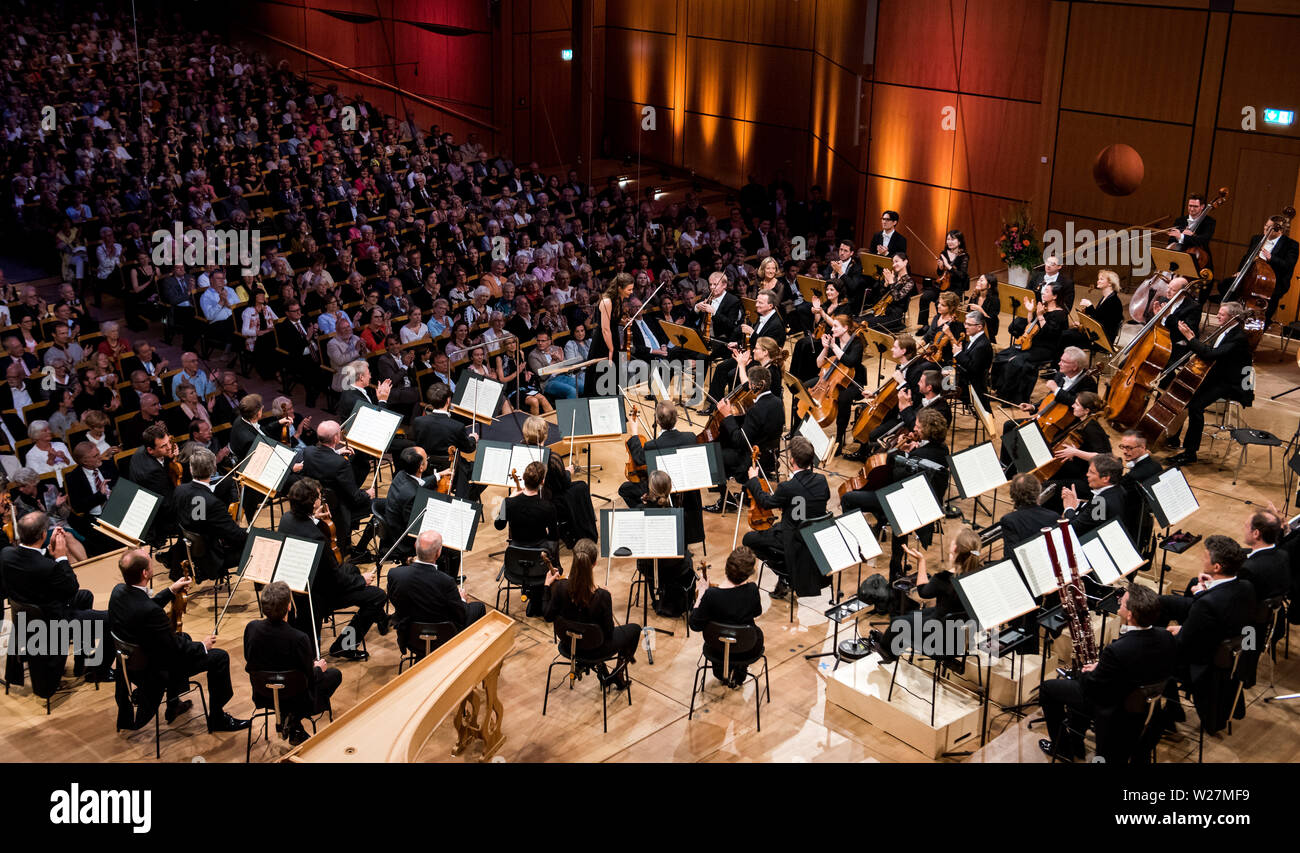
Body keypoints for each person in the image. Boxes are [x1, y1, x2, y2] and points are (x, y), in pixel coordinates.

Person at [107, 549, 249, 733]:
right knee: (219, 657)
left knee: (185, 637)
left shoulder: (118, 592)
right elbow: (174, 648)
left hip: (132, 666)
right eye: (150, 563)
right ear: (145, 573)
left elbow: (143, 609)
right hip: (154, 672)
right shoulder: (150, 612)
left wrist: (170, 591)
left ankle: (173, 704)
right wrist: (202, 646)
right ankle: (217, 719)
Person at [1036, 582, 1176, 762]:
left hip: (1114, 709)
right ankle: (1075, 738)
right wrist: (1103, 667)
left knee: (1050, 688)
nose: (1118, 602)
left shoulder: (1118, 650)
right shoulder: (1166, 637)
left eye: (1123, 602)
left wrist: (1088, 671)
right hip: (1144, 705)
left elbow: (1091, 687)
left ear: (1130, 615)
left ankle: (1063, 747)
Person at [278, 478, 389, 661]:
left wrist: (316, 520)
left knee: (351, 569)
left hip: (299, 584)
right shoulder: (316, 537)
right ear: (314, 503)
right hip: (320, 594)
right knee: (377, 596)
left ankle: (382, 619)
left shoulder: (287, 518)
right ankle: (344, 646)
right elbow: (335, 578)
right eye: (319, 497)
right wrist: (362, 580)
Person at [1157, 535, 1256, 733]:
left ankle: (1172, 714)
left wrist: (1178, 630)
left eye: (1205, 557)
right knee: (1162, 602)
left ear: (1217, 567)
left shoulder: (1206, 604)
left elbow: (1185, 642)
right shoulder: (1246, 586)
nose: (1202, 559)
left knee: (1155, 651)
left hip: (1201, 663)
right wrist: (1204, 590)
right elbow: (1218, 615)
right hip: (1219, 641)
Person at [0, 512, 113, 681]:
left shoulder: (6, 554)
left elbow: (34, 561)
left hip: (27, 617)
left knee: (85, 597)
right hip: (52, 624)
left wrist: (49, 550)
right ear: (44, 534)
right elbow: (71, 588)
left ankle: (81, 657)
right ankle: (99, 671)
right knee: (112, 619)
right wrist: (61, 556)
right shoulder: (48, 568)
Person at [841, 409, 950, 580]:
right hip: (919, 503)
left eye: (918, 426)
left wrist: (901, 452)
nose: (913, 428)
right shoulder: (943, 450)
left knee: (848, 498)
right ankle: (894, 562)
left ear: (927, 431)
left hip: (902, 503)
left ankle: (859, 543)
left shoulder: (919, 455)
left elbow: (893, 474)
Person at [243, 580, 342, 746]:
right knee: (334, 675)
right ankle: (295, 718)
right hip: (295, 698)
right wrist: (318, 669)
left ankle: (292, 721)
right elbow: (309, 678)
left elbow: (249, 659)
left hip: (264, 694)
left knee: (288, 680)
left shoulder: (251, 628)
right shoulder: (299, 638)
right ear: (289, 606)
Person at [1165, 301, 1254, 466]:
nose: (1217, 316)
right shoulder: (1224, 330)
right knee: (1185, 397)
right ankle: (1173, 437)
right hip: (1214, 376)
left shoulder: (1238, 337)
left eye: (1222, 314)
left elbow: (1210, 354)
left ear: (1233, 318)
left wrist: (1191, 338)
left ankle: (1190, 453)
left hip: (1229, 383)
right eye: (1218, 313)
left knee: (1195, 406)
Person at [741, 436, 830, 600]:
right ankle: (787, 572)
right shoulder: (821, 480)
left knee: (749, 539)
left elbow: (766, 502)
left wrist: (753, 479)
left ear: (792, 461)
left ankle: (786, 575)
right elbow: (812, 502)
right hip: (813, 536)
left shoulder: (787, 487)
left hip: (793, 539)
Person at [544, 538, 639, 690]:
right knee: (634, 630)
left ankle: (604, 672)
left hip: (569, 645)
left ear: (575, 560)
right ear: (594, 564)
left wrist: (547, 586)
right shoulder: (602, 596)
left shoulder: (560, 588)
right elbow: (608, 633)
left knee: (590, 632)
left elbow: (547, 616)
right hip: (595, 649)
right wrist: (608, 601)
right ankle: (618, 675)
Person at [388, 530, 488, 659]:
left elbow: (395, 600)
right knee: (478, 607)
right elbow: (460, 614)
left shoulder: (395, 574)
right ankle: (467, 657)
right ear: (438, 553)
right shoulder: (446, 581)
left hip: (410, 635)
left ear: (415, 547)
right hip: (443, 637)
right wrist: (462, 600)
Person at [619, 401, 705, 548]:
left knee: (625, 489)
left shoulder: (653, 446)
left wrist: (634, 432)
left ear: (657, 421)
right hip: (688, 491)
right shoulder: (690, 437)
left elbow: (639, 459)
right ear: (677, 418)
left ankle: (648, 516)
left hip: (664, 489)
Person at [706, 365, 784, 507]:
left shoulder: (756, 409)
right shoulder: (778, 402)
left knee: (712, 454)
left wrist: (728, 416)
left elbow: (739, 441)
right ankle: (748, 493)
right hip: (770, 456)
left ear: (754, 385)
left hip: (752, 462)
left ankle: (726, 501)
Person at [298, 420, 376, 557]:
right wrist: (368, 494)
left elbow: (324, 459)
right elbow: (356, 497)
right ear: (336, 438)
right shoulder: (341, 464)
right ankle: (359, 549)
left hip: (315, 503)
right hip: (339, 509)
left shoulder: (308, 452)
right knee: (381, 505)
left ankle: (346, 542)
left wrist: (337, 452)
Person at [689, 546, 764, 686]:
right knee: (752, 633)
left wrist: (701, 595)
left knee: (720, 634)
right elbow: (757, 612)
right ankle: (739, 670)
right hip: (746, 648)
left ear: (726, 568)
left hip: (716, 647)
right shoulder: (752, 589)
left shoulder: (711, 595)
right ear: (749, 573)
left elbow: (695, 625)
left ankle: (721, 670)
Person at [172, 448, 245, 582]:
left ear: (190, 469)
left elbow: (196, 520)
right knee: (255, 544)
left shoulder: (179, 490)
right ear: (213, 469)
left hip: (189, 551)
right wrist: (251, 534)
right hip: (211, 558)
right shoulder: (213, 503)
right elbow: (236, 535)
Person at [992, 282, 1070, 404]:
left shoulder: (1060, 314)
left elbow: (1049, 334)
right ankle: (998, 389)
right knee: (1002, 356)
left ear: (1055, 296)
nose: (1043, 293)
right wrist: (1030, 311)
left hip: (1045, 348)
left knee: (1015, 362)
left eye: (1047, 291)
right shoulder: (1043, 307)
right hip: (1030, 342)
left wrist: (1040, 316)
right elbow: (1031, 325)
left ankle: (1008, 396)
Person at [409, 383, 478, 497]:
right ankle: (467, 498)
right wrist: (472, 438)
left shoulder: (418, 421)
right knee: (479, 470)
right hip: (452, 473)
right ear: (448, 401)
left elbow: (415, 443)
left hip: (425, 469)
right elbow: (468, 448)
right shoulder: (457, 426)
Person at [586, 273, 634, 397]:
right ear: (619, 288)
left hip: (613, 339)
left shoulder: (619, 299)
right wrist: (611, 350)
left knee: (615, 378)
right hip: (603, 343)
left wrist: (623, 322)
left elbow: (613, 320)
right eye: (629, 289)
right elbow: (605, 329)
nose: (631, 292)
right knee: (603, 376)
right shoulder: (607, 301)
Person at [1062, 454, 1125, 536]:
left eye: (1091, 472)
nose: (1087, 474)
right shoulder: (1118, 489)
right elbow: (1091, 518)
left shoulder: (1101, 503)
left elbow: (1073, 529)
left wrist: (1069, 507)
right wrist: (1077, 504)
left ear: (1105, 478)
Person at [916, 230, 968, 327]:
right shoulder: (944, 253)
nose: (950, 242)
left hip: (955, 287)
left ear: (959, 242)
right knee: (924, 297)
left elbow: (962, 275)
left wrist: (948, 266)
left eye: (953, 239)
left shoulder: (964, 256)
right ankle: (924, 325)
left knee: (938, 302)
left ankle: (939, 326)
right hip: (942, 285)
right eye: (948, 239)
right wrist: (940, 267)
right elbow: (940, 273)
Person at [999, 472, 1062, 552]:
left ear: (1012, 494)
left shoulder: (1009, 520)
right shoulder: (1054, 516)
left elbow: (1010, 554)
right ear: (1039, 491)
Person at [864, 252, 915, 333]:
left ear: (905, 262)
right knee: (859, 320)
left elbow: (897, 298)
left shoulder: (910, 282)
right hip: (882, 310)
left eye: (896, 261)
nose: (894, 265)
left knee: (867, 324)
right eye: (893, 262)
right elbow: (880, 298)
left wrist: (891, 283)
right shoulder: (892, 276)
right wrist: (885, 285)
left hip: (894, 315)